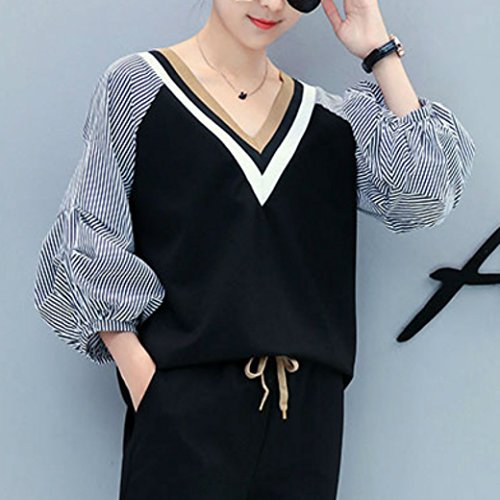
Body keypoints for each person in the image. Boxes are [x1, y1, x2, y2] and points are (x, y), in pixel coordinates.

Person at [32, 0, 476, 498]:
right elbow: (87, 233)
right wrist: (147, 381)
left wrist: (380, 52)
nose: (272, 4)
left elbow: (425, 195)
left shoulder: (330, 121)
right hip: (184, 406)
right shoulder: (141, 86)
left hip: (308, 418)